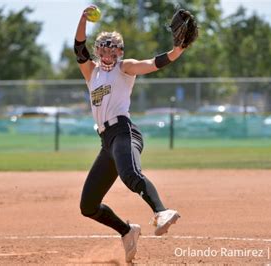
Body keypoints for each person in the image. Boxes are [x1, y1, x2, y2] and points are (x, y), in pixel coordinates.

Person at [74, 5, 189, 263]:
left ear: (120, 52)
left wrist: (176, 51)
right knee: (88, 206)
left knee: (131, 175)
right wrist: (83, 18)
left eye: (113, 48)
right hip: (107, 142)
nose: (107, 53)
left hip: (124, 132)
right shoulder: (90, 72)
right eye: (103, 48)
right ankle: (127, 231)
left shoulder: (124, 68)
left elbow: (153, 64)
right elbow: (78, 48)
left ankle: (162, 211)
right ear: (97, 51)